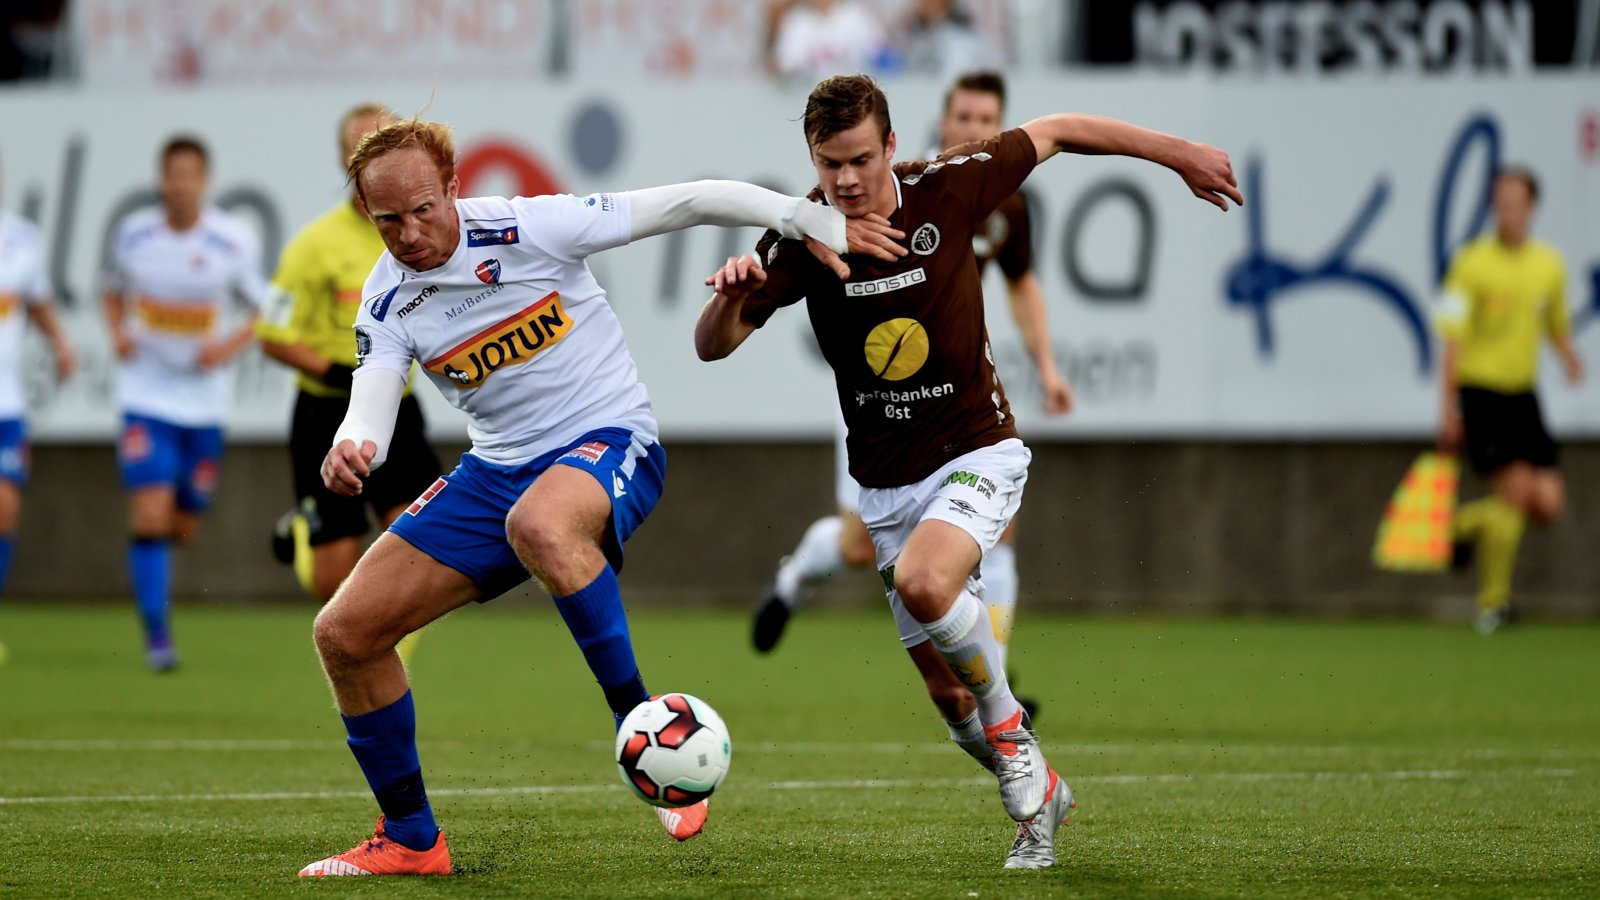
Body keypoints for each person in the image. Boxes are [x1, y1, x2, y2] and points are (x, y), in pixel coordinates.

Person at [296, 116, 880, 876]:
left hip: (607, 438)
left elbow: (692, 200)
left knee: (540, 522)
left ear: (453, 188)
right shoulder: (385, 302)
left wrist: (810, 219)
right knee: (344, 634)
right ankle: (411, 839)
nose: (408, 234)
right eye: (387, 220)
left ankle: (641, 726)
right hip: (495, 471)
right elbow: (370, 400)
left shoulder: (531, 228)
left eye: (422, 210)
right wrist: (353, 446)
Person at [695, 74, 1239, 869]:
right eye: (828, 163)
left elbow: (1058, 130)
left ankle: (1016, 750)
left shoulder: (947, 187)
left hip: (976, 449)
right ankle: (1041, 786)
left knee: (927, 584)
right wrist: (728, 297)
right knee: (951, 703)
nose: (846, 180)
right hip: (886, 485)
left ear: (890, 145)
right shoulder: (800, 239)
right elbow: (712, 346)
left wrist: (1177, 152)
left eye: (859, 159)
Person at [754, 73, 1075, 726]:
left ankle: (991, 673)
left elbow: (1021, 283)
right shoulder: (899, 187)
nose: (974, 128)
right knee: (855, 549)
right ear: (941, 122)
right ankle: (793, 581)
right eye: (964, 116)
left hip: (955, 396)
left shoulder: (998, 201)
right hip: (879, 397)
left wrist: (1047, 365)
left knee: (998, 531)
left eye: (987, 118)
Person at [258, 103, 443, 623]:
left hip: (397, 410)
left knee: (424, 547)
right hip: (327, 412)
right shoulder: (313, 246)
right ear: (346, 161)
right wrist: (332, 371)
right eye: (362, 146)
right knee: (335, 581)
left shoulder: (423, 233)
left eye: (387, 142)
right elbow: (271, 333)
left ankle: (390, 653)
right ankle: (308, 532)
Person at [103, 135, 265, 672]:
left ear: (204, 181)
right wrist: (117, 332)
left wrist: (226, 347)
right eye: (172, 174)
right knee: (150, 513)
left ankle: (177, 527)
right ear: (162, 180)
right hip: (144, 394)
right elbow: (111, 289)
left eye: (189, 174)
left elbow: (265, 306)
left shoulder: (231, 240)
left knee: (183, 521)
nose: (179, 185)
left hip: (203, 403)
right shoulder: (134, 233)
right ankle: (157, 634)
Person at [1435, 166, 1582, 634]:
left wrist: (1568, 356)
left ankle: (1459, 527)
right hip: (1482, 394)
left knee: (1547, 504)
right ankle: (1493, 604)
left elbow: (1555, 323)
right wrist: (1449, 408)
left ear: (1532, 207)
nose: (1506, 210)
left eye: (1515, 201)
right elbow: (1452, 340)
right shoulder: (1471, 262)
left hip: (1524, 397)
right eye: (1499, 201)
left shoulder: (1549, 264)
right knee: (1515, 494)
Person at [0, 160, 76, 595]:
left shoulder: (22, 239)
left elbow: (37, 301)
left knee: (5, 506)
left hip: (5, 401)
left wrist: (60, 344)